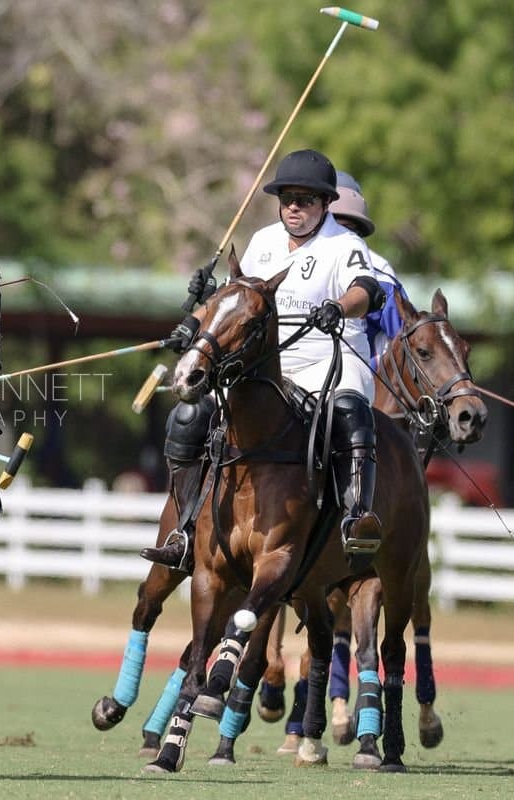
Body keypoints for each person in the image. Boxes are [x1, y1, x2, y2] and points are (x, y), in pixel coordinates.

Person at [145, 149, 385, 572]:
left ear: (326, 203)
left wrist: (339, 307)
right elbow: (235, 303)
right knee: (188, 417)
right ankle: (183, 529)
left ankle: (354, 517)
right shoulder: (263, 241)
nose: (295, 206)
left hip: (325, 358)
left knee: (351, 411)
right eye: (288, 197)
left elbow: (366, 289)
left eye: (306, 199)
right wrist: (192, 322)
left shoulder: (344, 245)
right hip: (266, 364)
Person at [330, 170, 407, 368]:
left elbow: (407, 341)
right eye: (331, 225)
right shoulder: (284, 260)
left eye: (346, 227)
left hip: (360, 382)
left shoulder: (381, 276)